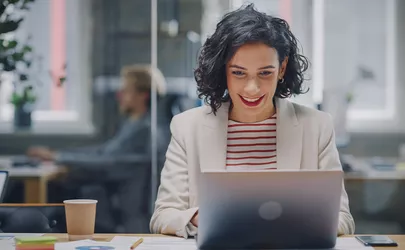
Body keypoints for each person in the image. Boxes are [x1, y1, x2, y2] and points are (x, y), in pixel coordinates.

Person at [150, 4, 355, 238]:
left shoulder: (317, 126)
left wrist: (289, 224)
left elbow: (343, 219)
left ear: (282, 68)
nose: (252, 88)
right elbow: (163, 215)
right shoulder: (187, 127)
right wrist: (200, 218)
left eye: (265, 73)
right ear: (223, 70)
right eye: (238, 73)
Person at [27, 64, 167, 166]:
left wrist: (58, 157)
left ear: (143, 95)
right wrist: (57, 154)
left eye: (126, 90)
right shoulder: (132, 124)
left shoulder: (144, 130)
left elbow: (108, 162)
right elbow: (103, 152)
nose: (119, 95)